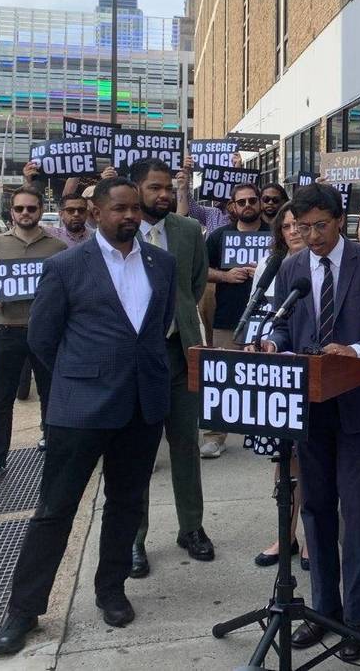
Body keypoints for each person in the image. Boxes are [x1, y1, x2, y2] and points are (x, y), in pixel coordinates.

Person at [0, 177, 176, 657]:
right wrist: (82, 381)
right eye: (119, 208)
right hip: (81, 411)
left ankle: (110, 590)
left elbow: (155, 330)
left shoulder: (163, 263)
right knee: (55, 510)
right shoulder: (65, 266)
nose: (130, 216)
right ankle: (24, 610)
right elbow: (42, 339)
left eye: (135, 208)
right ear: (95, 213)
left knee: (126, 504)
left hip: (142, 407)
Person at [255, 184, 360, 662]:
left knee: (358, 515)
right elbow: (282, 322)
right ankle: (324, 611)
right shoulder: (293, 266)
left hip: (358, 408)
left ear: (340, 220)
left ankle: (356, 619)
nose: (310, 236)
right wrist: (274, 342)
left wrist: (354, 351)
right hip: (310, 409)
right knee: (316, 511)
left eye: (319, 225)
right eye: (301, 227)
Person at [126, 158, 215, 579]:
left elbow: (195, 285)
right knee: (138, 454)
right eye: (155, 188)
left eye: (168, 188)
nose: (163, 195)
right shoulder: (120, 232)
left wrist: (179, 322)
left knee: (186, 447)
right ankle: (134, 539)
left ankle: (191, 528)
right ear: (137, 190)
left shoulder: (188, 231)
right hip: (136, 362)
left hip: (180, 355)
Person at [0, 185, 67, 483]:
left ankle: (52, 443)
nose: (25, 213)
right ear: (11, 212)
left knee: (51, 394)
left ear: (41, 210)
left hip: (46, 333)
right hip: (6, 331)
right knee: (1, 398)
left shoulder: (57, 248)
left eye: (31, 208)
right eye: (19, 209)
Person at [243, 203, 310, 570]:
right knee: (283, 462)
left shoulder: (322, 267)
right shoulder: (270, 269)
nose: (294, 231)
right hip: (277, 381)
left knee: (311, 461)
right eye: (286, 226)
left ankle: (312, 539)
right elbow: (260, 322)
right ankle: (285, 533)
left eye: (298, 224)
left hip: (314, 375)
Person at [200, 182, 264, 458]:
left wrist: (262, 271)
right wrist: (226, 276)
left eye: (252, 200)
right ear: (233, 207)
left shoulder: (276, 235)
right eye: (242, 202)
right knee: (222, 378)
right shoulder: (218, 237)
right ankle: (215, 436)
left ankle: (267, 434)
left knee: (265, 379)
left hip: (266, 322)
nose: (247, 205)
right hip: (227, 318)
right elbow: (200, 270)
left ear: (260, 203)